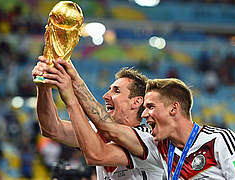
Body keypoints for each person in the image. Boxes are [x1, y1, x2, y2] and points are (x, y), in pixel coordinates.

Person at [32, 56, 165, 179]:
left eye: (116, 91)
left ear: (136, 102)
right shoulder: (98, 131)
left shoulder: (149, 140)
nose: (105, 96)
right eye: (109, 89)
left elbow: (96, 155)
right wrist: (43, 85)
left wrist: (71, 98)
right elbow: (52, 128)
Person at [140, 78, 235, 179]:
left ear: (173, 108)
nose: (144, 114)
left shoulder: (219, 140)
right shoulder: (160, 147)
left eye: (150, 107)